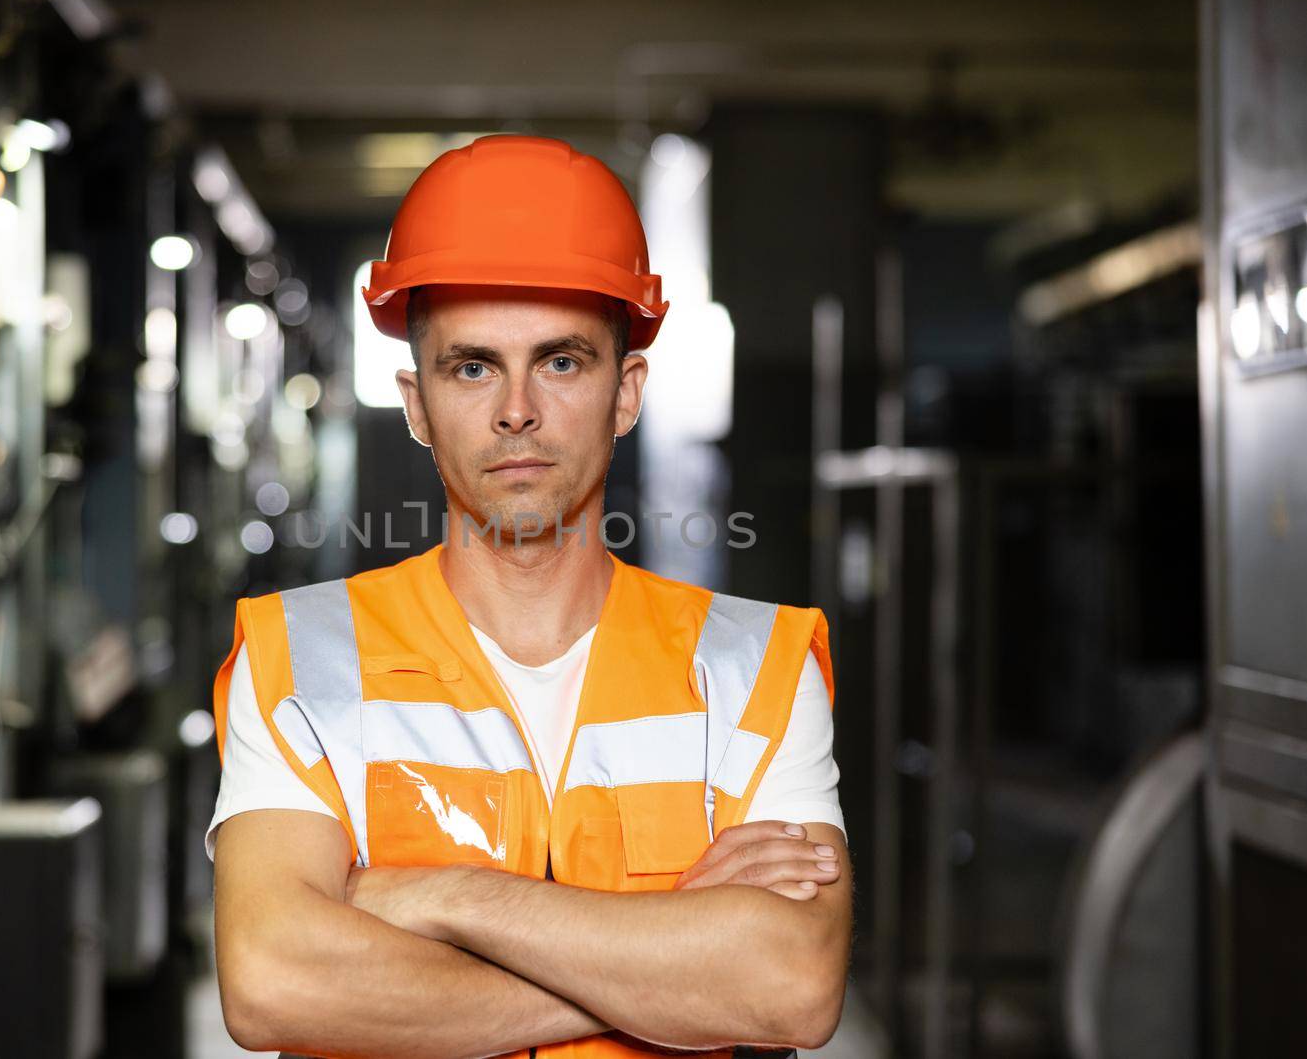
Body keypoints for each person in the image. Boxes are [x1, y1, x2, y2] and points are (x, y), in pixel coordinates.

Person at [206, 134, 852, 1058]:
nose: (516, 409)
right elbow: (274, 982)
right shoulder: (302, 660)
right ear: (418, 402)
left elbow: (789, 985)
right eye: (472, 366)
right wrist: (673, 954)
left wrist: (436, 896)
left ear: (626, 392)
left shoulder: (757, 667)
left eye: (561, 361)